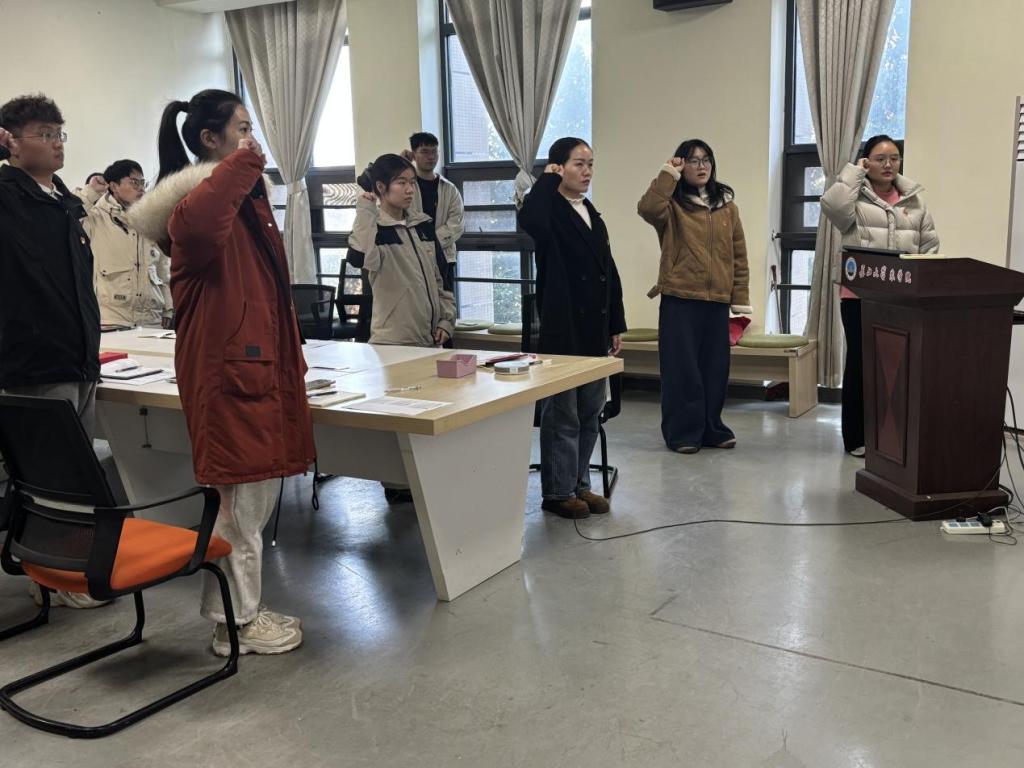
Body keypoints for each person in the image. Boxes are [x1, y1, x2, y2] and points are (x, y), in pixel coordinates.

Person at [129, 89, 315, 656]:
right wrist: (242, 165)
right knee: (239, 505)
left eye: (251, 128)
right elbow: (201, 228)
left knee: (249, 501)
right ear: (210, 140)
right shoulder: (194, 207)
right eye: (241, 129)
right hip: (232, 378)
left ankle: (240, 612)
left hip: (254, 372)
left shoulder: (236, 203)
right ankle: (236, 622)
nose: (252, 140)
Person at [0, 93, 107, 610]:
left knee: (78, 472)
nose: (57, 143)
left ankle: (69, 569)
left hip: (78, 355)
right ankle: (54, 576)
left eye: (59, 133)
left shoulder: (64, 201)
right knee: (50, 478)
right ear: (11, 142)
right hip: (36, 360)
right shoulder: (6, 198)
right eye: (44, 134)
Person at [518, 137, 626, 520]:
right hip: (563, 329)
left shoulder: (591, 212)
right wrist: (547, 179)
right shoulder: (549, 210)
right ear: (558, 167)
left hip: (595, 329)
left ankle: (579, 484)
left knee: (589, 412)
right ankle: (558, 491)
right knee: (562, 414)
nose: (587, 172)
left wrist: (616, 322)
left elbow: (608, 272)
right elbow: (530, 219)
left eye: (590, 164)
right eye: (579, 164)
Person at [820, 134, 939, 457]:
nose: (888, 164)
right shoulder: (855, 197)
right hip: (858, 296)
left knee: (896, 368)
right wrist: (853, 173)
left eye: (894, 158)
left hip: (901, 299)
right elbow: (832, 207)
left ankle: (891, 438)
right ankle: (856, 437)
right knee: (861, 366)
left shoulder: (914, 200)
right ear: (866, 162)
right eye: (880, 158)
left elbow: (930, 246)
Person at [348, 153, 456, 504]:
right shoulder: (375, 230)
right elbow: (360, 255)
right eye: (401, 183)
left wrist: (446, 319)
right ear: (381, 187)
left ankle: (424, 481)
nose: (410, 189)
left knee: (430, 417)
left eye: (412, 182)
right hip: (393, 342)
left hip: (429, 340)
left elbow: (440, 279)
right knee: (399, 421)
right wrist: (365, 208)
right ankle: (397, 485)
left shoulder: (422, 225)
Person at [637, 139, 751, 455]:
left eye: (706, 159)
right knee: (681, 369)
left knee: (715, 369)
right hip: (680, 297)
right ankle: (682, 432)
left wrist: (739, 296)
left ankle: (712, 428)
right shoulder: (671, 205)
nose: (701, 166)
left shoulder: (727, 207)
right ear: (681, 164)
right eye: (693, 160)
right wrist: (667, 173)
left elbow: (739, 256)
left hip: (717, 300)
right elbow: (647, 208)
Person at [77, 159, 173, 329]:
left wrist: (169, 307)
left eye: (143, 182)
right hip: (111, 318)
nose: (141, 188)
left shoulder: (150, 219)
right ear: (114, 186)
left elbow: (163, 268)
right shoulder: (95, 217)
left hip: (151, 319)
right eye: (134, 182)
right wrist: (91, 191)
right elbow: (68, 212)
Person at [401, 132, 464, 294]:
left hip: (444, 257)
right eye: (424, 152)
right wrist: (401, 164)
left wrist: (431, 243)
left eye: (434, 151)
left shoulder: (449, 189)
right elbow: (397, 215)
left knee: (445, 302)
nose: (431, 157)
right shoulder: (405, 187)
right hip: (412, 258)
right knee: (417, 303)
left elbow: (456, 224)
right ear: (413, 154)